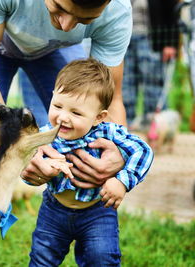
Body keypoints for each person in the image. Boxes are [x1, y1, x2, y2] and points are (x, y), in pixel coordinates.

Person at [0, 0, 133, 187]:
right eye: (59, 8)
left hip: (54, 47)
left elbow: (108, 101)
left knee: (83, 119)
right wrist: (19, 146)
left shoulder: (116, 11)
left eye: (84, 19)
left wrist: (119, 151)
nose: (66, 27)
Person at [28, 58, 154, 266]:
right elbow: (28, 163)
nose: (62, 118)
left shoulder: (108, 132)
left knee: (102, 258)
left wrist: (122, 181)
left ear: (99, 117)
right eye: (58, 105)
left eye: (76, 112)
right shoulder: (45, 136)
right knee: (42, 259)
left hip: (98, 211)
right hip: (54, 209)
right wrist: (39, 166)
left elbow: (143, 151)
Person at [122, 0, 180, 127]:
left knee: (153, 84)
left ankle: (155, 127)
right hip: (124, 38)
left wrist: (171, 43)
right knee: (125, 83)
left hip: (151, 39)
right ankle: (126, 125)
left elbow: (173, 12)